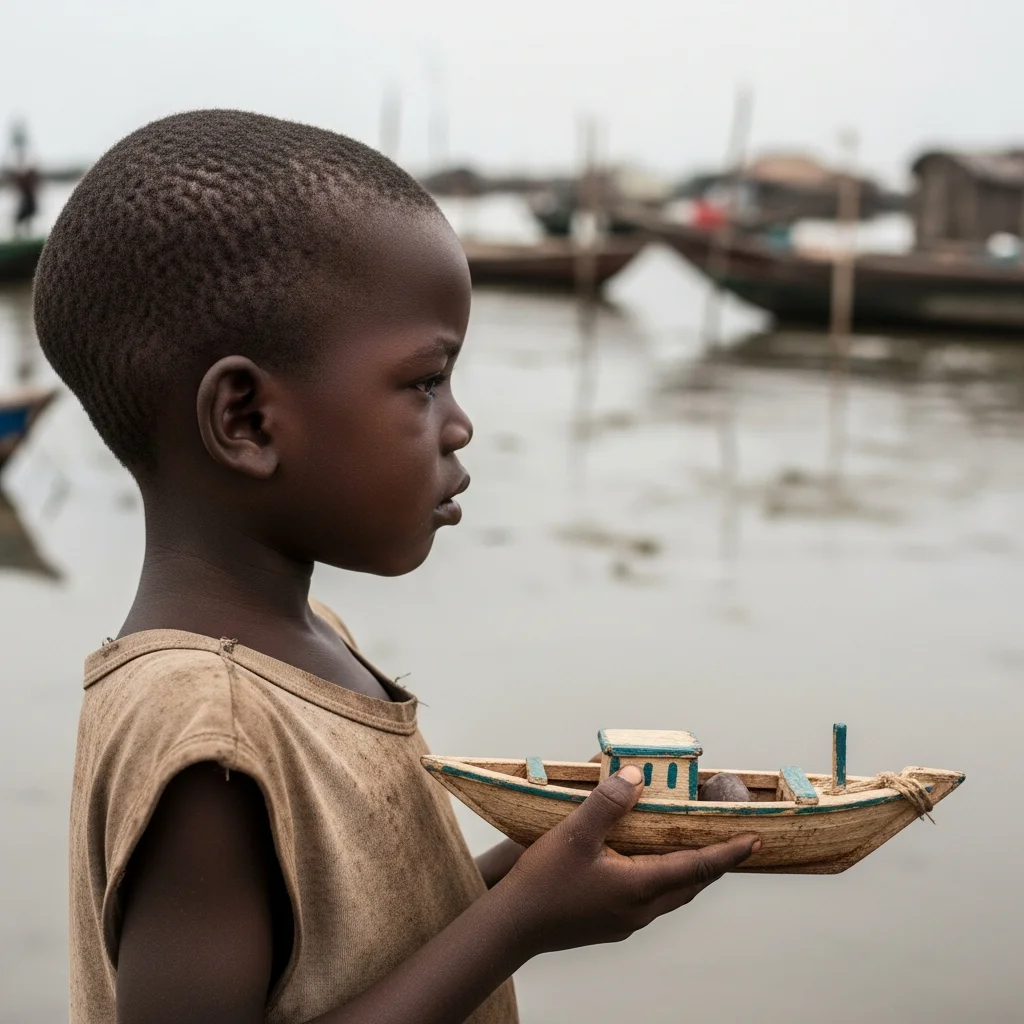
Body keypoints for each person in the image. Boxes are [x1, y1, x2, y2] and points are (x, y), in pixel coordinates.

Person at [33, 110, 759, 1024]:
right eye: (425, 381)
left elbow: (366, 937)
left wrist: (548, 868)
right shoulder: (203, 734)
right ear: (247, 420)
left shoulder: (310, 641)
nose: (459, 425)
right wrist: (517, 926)